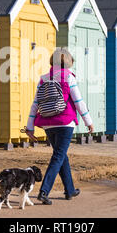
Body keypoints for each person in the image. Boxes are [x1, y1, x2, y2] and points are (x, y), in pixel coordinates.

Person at [25, 48, 94, 205]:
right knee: (58, 156)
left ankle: (69, 190)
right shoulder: (68, 77)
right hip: (65, 122)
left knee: (61, 155)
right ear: (68, 62)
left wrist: (30, 126)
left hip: (48, 124)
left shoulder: (44, 78)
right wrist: (88, 120)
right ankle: (44, 191)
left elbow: (36, 104)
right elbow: (78, 101)